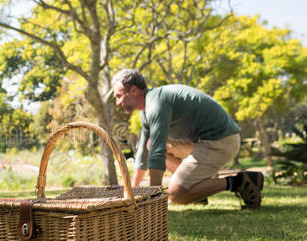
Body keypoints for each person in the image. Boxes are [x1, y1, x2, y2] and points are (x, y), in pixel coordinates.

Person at [111, 69, 264, 209]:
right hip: (201, 142)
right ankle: (197, 193)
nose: (118, 103)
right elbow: (144, 153)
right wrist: (132, 194)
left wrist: (152, 201)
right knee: (150, 144)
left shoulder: (156, 104)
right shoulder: (146, 110)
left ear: (133, 90)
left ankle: (241, 181)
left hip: (221, 141)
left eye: (119, 96)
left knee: (175, 195)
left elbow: (157, 153)